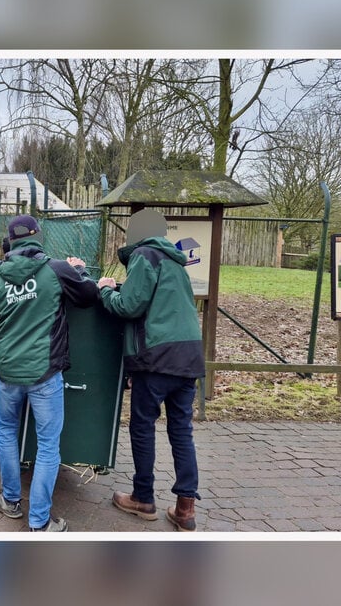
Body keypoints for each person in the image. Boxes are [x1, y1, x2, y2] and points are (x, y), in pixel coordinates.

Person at [0, 214, 99, 532]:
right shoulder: (58, 270)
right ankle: (39, 522)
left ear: (11, 241)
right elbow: (89, 296)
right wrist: (81, 271)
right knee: (48, 445)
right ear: (38, 237)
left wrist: (2, 366)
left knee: (6, 432)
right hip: (45, 375)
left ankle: (10, 501)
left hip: (8, 374)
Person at [96, 209, 205, 531]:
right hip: (188, 357)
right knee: (181, 430)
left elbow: (129, 306)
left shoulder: (145, 255)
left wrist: (104, 289)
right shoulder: (175, 262)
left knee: (143, 427)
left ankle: (143, 497)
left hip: (156, 357)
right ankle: (185, 508)